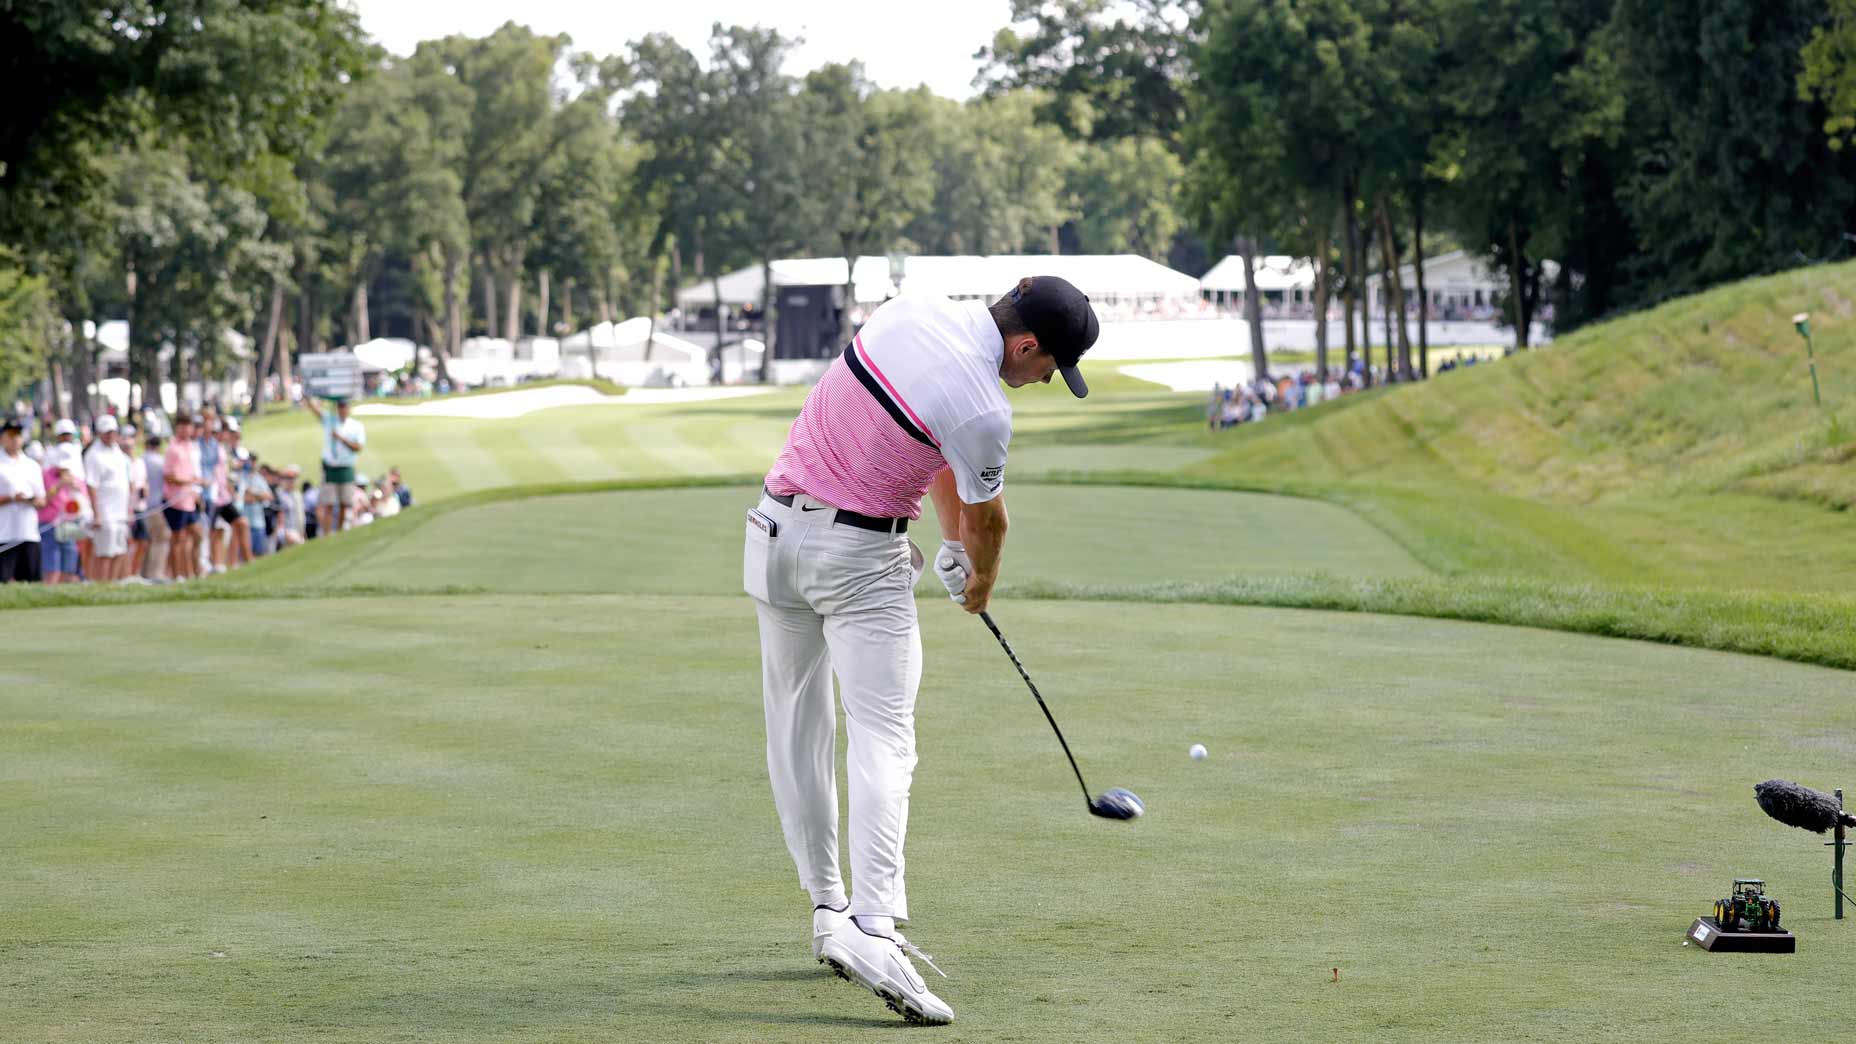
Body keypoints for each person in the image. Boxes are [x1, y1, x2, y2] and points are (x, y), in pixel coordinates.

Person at [747, 275, 1099, 1025]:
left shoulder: (913, 306)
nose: (1042, 382)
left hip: (771, 536)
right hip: (856, 562)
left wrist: (946, 543)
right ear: (1026, 345)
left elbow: (925, 442)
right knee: (884, 740)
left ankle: (828, 914)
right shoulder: (985, 404)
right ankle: (874, 929)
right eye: (1048, 369)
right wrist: (979, 581)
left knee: (800, 735)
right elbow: (991, 521)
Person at [83, 414, 132, 582]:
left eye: (112, 432)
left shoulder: (117, 451)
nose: (110, 435)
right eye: (106, 432)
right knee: (105, 552)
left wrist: (129, 509)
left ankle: (113, 584)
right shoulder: (94, 455)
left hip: (120, 511)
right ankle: (101, 585)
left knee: (119, 550)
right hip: (105, 511)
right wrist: (97, 514)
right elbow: (91, 485)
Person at [304, 397, 364, 533]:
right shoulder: (330, 420)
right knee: (328, 503)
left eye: (345, 407)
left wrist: (341, 439)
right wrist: (309, 397)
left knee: (344, 503)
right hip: (330, 467)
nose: (342, 410)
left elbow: (358, 447)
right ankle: (327, 534)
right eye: (340, 407)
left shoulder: (356, 426)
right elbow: (316, 410)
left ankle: (340, 531)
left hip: (346, 467)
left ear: (348, 409)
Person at [0, 416, 46, 582]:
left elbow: (42, 500)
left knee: (31, 583)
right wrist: (13, 498)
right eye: (10, 435)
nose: (14, 439)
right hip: (4, 534)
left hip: (29, 533)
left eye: (17, 435)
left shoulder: (31, 465)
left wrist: (32, 500)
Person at [163, 415, 205, 581]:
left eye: (189, 426)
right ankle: (177, 575)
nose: (187, 429)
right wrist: (189, 482)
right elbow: (168, 476)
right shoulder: (173, 448)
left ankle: (194, 572)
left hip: (189, 499)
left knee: (197, 535)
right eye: (183, 426)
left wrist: (194, 489)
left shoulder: (191, 447)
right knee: (178, 539)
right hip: (175, 499)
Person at [38, 457, 88, 584]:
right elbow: (43, 500)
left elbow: (83, 501)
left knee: (70, 565)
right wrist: (59, 485)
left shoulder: (75, 477)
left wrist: (74, 486)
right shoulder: (46, 474)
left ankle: (64, 596)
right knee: (51, 567)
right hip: (49, 525)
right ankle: (49, 596)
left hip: (69, 525)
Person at [140, 432, 170, 581]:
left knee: (148, 541)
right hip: (156, 506)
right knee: (161, 539)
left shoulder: (140, 459)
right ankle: (155, 574)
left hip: (141, 507)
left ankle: (145, 573)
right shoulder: (159, 461)